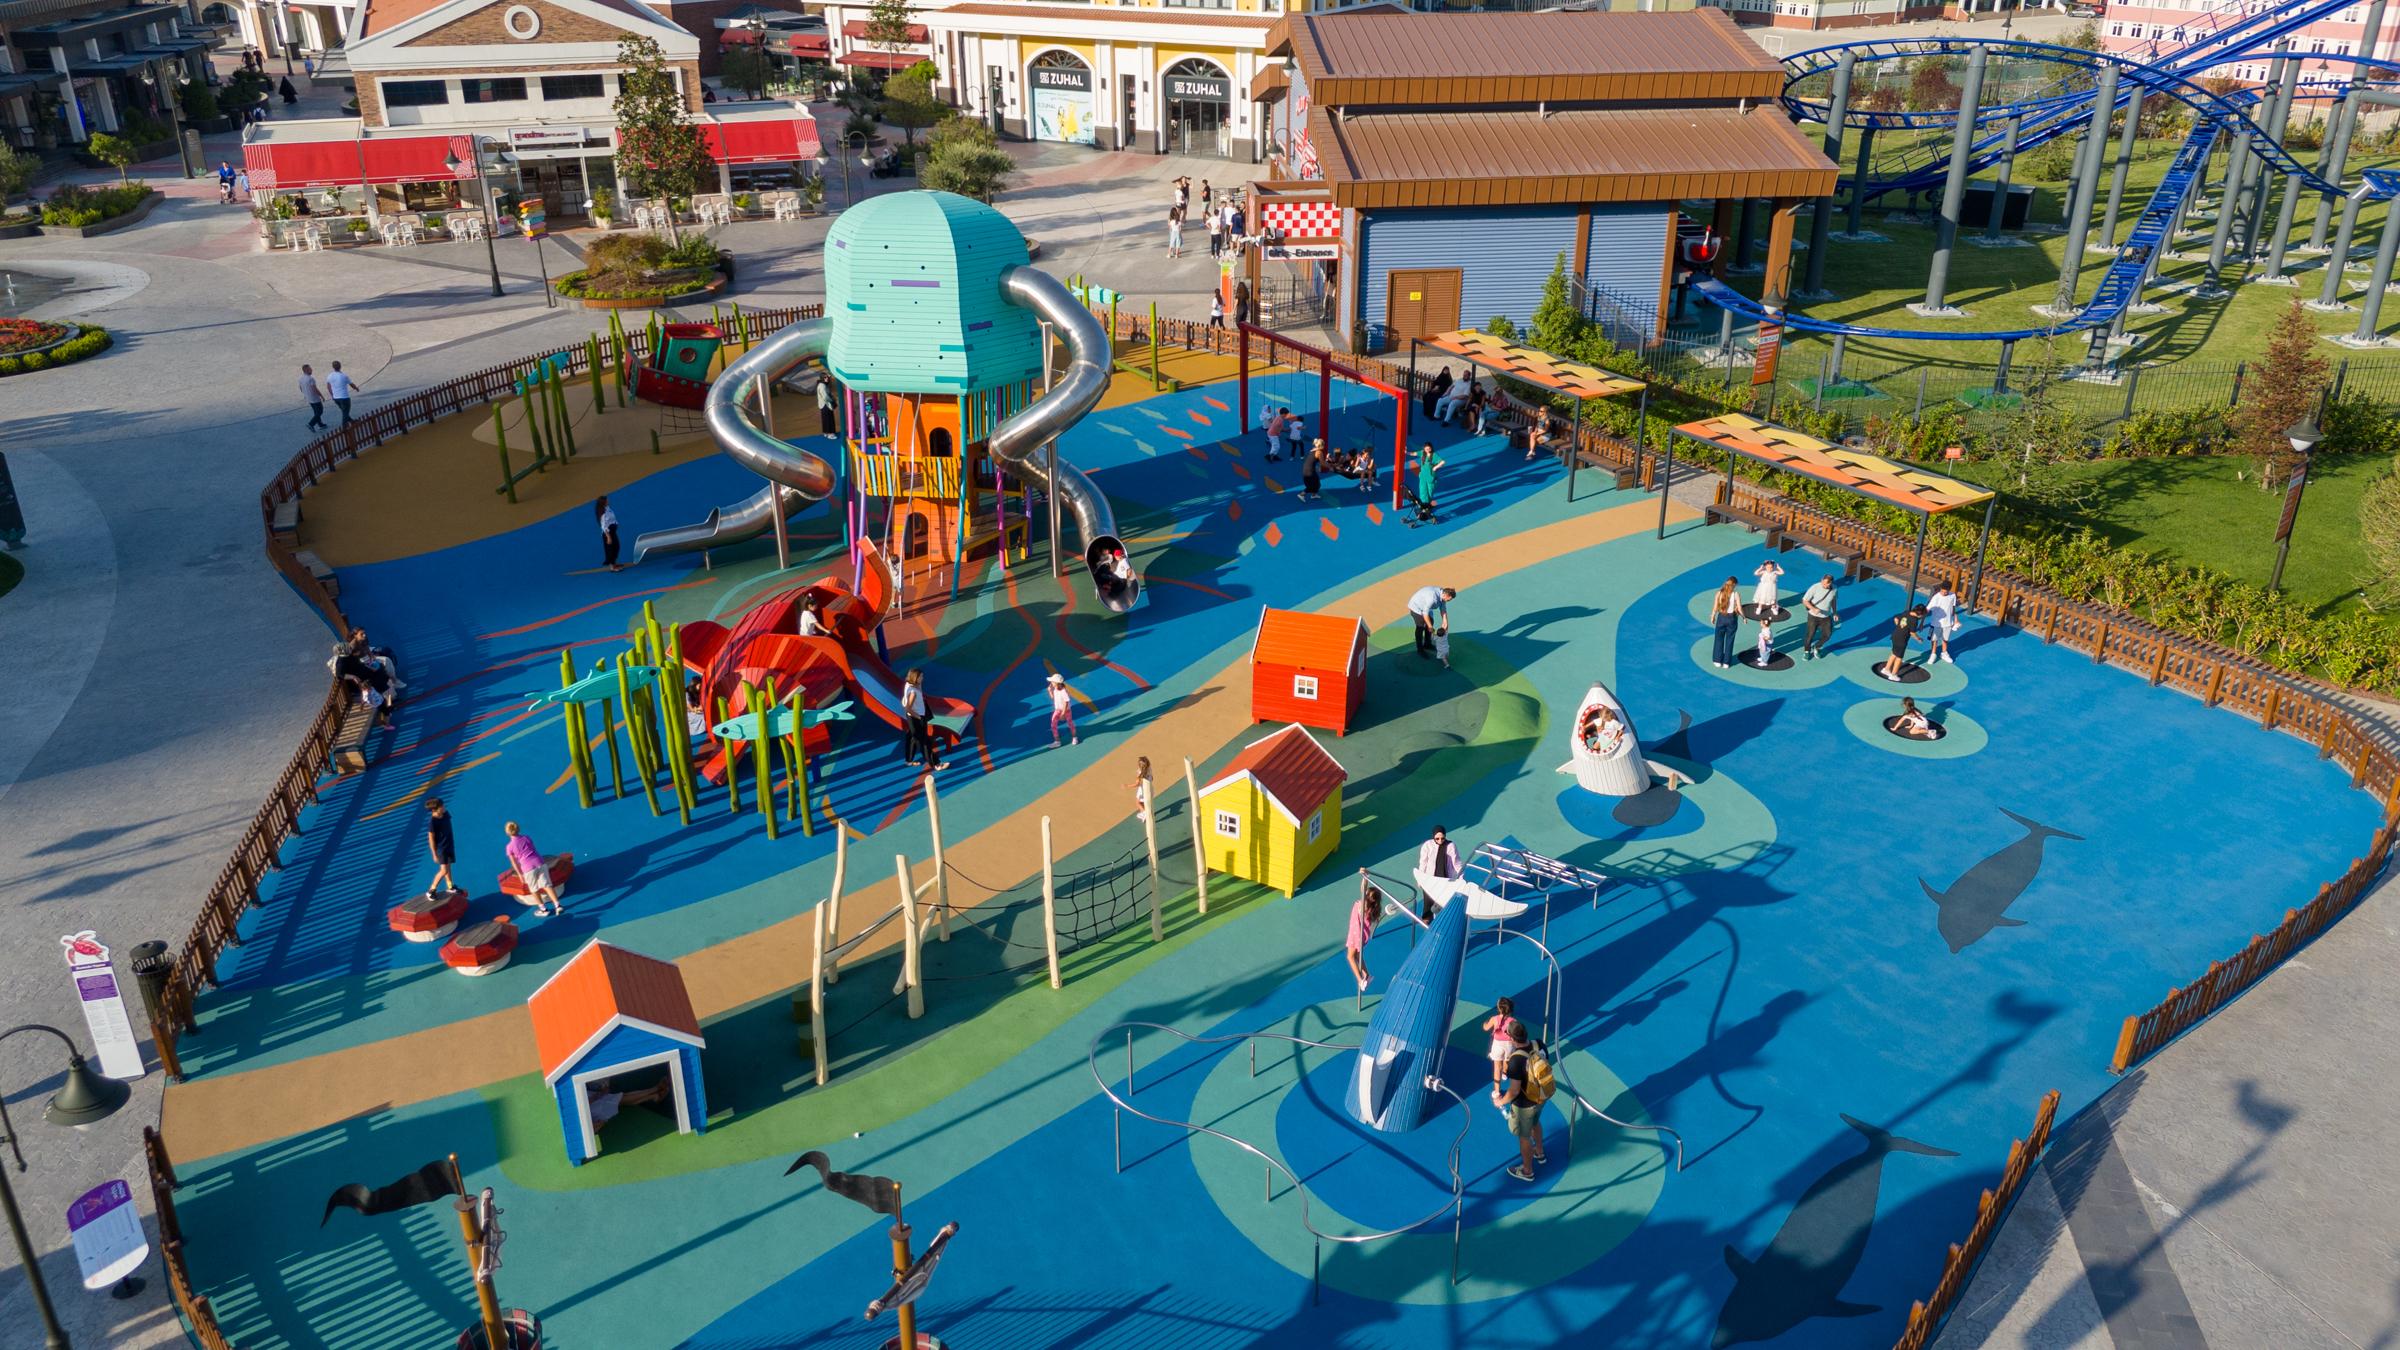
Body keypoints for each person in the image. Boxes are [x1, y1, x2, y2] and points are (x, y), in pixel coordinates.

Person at [1495, 1022, 1547, 1180]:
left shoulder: (1516, 1060)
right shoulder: (1539, 1043)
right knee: (1535, 1123)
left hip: (1525, 1105)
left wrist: (1501, 1102)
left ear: (1511, 1038)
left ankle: (1527, 1171)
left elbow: (1514, 1090)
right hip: (1541, 1097)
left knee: (1524, 1136)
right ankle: (1540, 1152)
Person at [504, 821, 563, 917]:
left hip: (528, 868)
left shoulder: (509, 847)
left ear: (507, 832)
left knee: (533, 889)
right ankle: (558, 905)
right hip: (539, 862)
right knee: (547, 885)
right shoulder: (526, 838)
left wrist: (520, 874)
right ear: (518, 829)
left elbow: (514, 862)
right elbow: (534, 849)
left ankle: (543, 909)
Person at [585, 1076, 672, 1133]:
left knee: (623, 1098)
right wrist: (599, 1094)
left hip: (593, 1106)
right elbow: (585, 1104)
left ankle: (654, 1095)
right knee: (623, 1098)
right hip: (595, 1109)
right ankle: (655, 1090)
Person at [900, 668, 946, 770]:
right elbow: (908, 707)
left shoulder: (909, 685)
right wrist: (918, 717)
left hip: (913, 717)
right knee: (924, 742)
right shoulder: (913, 692)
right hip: (916, 718)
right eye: (921, 677)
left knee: (912, 738)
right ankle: (937, 764)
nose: (923, 678)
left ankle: (909, 760)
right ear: (915, 678)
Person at [1345, 879, 1384, 992]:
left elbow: (1363, 888)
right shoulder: (1372, 908)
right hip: (1361, 935)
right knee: (1357, 956)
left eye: (1367, 894)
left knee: (1350, 957)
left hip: (1356, 935)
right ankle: (1366, 975)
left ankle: (1360, 980)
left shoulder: (1364, 905)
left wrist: (1365, 877)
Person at [1880, 604, 1927, 681]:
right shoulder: (1914, 620)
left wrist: (1899, 627)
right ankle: (1893, 675)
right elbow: (1912, 633)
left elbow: (1895, 618)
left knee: (1894, 653)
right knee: (1899, 658)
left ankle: (1886, 669)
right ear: (1920, 614)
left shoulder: (1907, 612)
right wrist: (1919, 639)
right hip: (1902, 640)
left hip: (1895, 635)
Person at [1483, 996, 1521, 1089]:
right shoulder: (1513, 1021)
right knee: (1507, 1060)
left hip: (1497, 1045)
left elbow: (1486, 1028)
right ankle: (1504, 1073)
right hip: (1509, 1045)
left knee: (1497, 1067)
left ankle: (1497, 1091)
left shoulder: (1494, 1019)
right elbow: (1516, 1034)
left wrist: (1485, 1023)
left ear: (1499, 1008)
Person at [1408, 584, 1455, 658]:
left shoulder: (1443, 596)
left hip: (1426, 607)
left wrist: (1445, 621)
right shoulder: (1432, 598)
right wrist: (1430, 627)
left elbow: (1443, 609)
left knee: (1431, 621)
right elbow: (1425, 613)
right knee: (1420, 626)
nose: (1448, 601)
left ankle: (1427, 644)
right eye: (1448, 599)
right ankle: (1420, 649)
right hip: (1416, 608)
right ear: (1445, 595)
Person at [424, 797, 458, 897]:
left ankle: (450, 886)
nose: (444, 807)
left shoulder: (445, 814)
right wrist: (434, 854)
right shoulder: (432, 822)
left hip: (449, 845)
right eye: (441, 806)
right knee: (444, 870)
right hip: (441, 849)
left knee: (448, 867)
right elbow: (430, 839)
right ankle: (431, 890)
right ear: (435, 809)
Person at [1800, 574, 1838, 659]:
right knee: (1810, 635)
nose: (1824, 585)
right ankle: (1807, 651)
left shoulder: (1835, 589)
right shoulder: (1815, 587)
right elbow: (1804, 600)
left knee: (1827, 635)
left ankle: (1816, 647)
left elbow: (1833, 601)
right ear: (1821, 580)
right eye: (1823, 583)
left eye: (1826, 584)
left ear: (1831, 583)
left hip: (1826, 617)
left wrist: (1835, 613)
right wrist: (1813, 609)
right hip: (1813, 616)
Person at [1924, 581, 1960, 665]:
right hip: (1936, 623)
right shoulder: (1936, 597)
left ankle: (1944, 653)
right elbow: (1927, 609)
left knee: (1945, 639)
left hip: (1948, 623)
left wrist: (1955, 619)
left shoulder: (1953, 595)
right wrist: (1921, 622)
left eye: (1946, 591)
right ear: (1940, 589)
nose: (1944, 593)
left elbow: (1953, 608)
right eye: (1942, 591)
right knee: (1934, 639)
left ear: (1949, 590)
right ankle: (1933, 654)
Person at [1709, 577, 1741, 668]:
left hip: (1721, 617)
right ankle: (1726, 662)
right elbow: (1739, 608)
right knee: (1730, 640)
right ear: (1735, 585)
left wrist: (1713, 616)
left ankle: (1717, 660)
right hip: (1732, 618)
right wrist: (1744, 617)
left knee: (1719, 639)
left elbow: (1715, 606)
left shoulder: (1719, 593)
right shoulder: (1735, 594)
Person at [1045, 672, 1079, 747]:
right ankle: (1057, 742)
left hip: (1066, 710)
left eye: (1052, 682)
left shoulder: (1063, 691)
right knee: (1053, 725)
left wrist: (1063, 713)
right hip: (1057, 710)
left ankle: (1075, 737)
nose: (1051, 683)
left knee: (1070, 723)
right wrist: (1050, 691)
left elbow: (1066, 702)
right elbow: (1054, 699)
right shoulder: (1055, 689)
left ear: (1057, 683)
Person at [1414, 445, 1445, 521]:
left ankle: (1427, 508)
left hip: (1431, 478)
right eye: (1426, 448)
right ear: (1424, 448)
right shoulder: (1422, 453)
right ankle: (1425, 507)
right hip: (1423, 477)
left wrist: (1436, 467)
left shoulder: (1434, 455)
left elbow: (1443, 462)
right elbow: (1414, 453)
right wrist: (1406, 452)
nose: (1428, 450)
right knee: (1423, 493)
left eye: (1429, 448)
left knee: (1429, 493)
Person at [326, 360, 358, 426]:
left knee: (344, 411)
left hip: (336, 398)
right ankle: (344, 426)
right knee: (345, 412)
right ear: (340, 366)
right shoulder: (344, 376)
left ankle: (351, 421)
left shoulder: (330, 376)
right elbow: (351, 384)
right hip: (344, 397)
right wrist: (356, 388)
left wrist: (332, 395)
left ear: (333, 367)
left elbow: (328, 386)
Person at [596, 495, 622, 572]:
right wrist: (608, 537)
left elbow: (611, 518)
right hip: (608, 534)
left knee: (616, 546)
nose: (608, 501)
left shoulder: (607, 508)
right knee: (610, 550)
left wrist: (616, 523)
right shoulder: (603, 513)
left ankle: (614, 563)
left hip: (612, 532)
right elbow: (604, 526)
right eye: (607, 500)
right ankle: (612, 567)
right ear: (604, 502)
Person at [300, 364, 326, 431]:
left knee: (316, 411)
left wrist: (305, 393)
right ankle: (311, 424)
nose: (311, 370)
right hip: (314, 398)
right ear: (306, 370)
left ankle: (320, 424)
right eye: (310, 369)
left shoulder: (301, 378)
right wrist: (321, 396)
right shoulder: (311, 379)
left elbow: (300, 387)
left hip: (309, 398)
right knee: (320, 411)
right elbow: (314, 389)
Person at [1128, 755, 1153, 823]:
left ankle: (1145, 813)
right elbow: (1152, 778)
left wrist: (1127, 786)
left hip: (1142, 791)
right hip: (1150, 789)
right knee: (1144, 803)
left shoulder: (1139, 773)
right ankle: (1146, 813)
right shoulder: (1149, 769)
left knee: (1138, 802)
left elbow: (1137, 784)